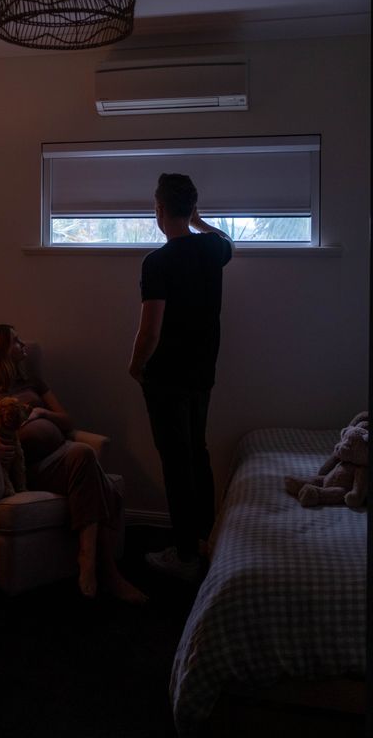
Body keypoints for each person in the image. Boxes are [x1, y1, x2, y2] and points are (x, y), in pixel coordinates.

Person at [0, 323, 147, 604]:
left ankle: (90, 559)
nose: (24, 345)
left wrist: (43, 413)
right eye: (15, 341)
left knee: (82, 454)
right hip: (26, 468)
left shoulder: (32, 379)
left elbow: (67, 421)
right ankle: (109, 573)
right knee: (90, 465)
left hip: (59, 455)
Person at [129, 173, 233, 582]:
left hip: (167, 377)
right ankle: (206, 539)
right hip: (202, 372)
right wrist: (201, 222)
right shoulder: (211, 248)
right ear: (191, 209)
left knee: (176, 462)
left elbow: (150, 330)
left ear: (158, 210)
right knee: (198, 454)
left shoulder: (158, 262)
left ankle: (186, 554)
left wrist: (135, 366)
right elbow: (229, 241)